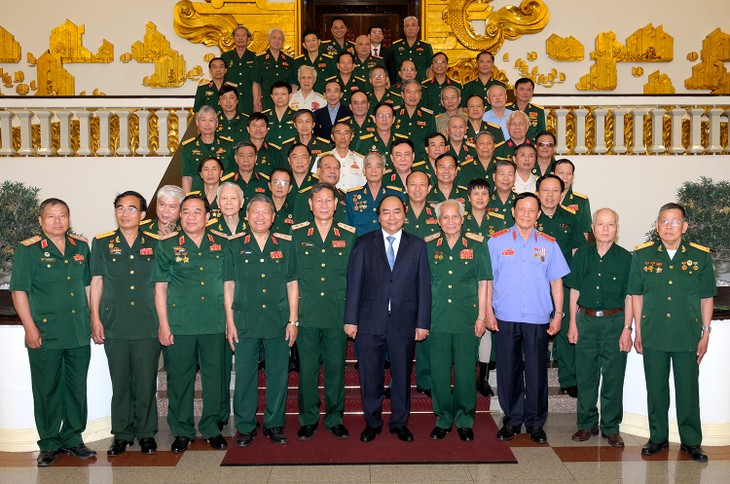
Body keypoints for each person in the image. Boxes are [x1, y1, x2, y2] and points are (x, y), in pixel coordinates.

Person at [10, 198, 96, 467]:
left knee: (76, 388)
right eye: (51, 216)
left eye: (63, 215)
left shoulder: (80, 247)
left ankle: (73, 438)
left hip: (78, 331)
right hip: (45, 333)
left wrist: (94, 319)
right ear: (40, 220)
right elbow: (19, 291)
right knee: (46, 389)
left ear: (69, 219)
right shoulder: (29, 250)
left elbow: (87, 287)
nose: (57, 221)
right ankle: (48, 443)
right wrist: (30, 327)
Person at [628, 203, 716, 462]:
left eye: (674, 221)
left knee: (688, 389)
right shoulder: (642, 256)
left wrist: (706, 332)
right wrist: (638, 330)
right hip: (653, 332)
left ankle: (691, 441)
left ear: (684, 226)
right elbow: (636, 294)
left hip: (687, 334)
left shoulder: (700, 256)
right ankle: (658, 437)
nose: (668, 226)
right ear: (657, 226)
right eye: (663, 221)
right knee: (656, 388)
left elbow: (706, 298)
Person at [345, 195, 432, 443]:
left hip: (404, 322)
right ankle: (372, 422)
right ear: (378, 216)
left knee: (402, 375)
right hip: (370, 322)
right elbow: (354, 284)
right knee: (370, 375)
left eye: (396, 212)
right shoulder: (363, 243)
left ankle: (399, 423)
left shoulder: (417, 245)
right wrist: (351, 319)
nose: (391, 217)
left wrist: (422, 322)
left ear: (404, 215)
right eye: (386, 212)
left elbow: (423, 287)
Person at [486, 192, 569, 444]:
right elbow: (487, 281)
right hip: (505, 316)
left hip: (537, 317)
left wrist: (558, 314)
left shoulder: (549, 244)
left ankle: (535, 422)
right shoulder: (496, 242)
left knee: (536, 371)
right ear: (513, 211)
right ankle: (512, 419)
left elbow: (557, 282)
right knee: (507, 371)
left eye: (532, 210)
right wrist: (487, 312)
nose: (526, 214)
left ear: (538, 214)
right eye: (521, 209)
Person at [152, 194, 229, 452]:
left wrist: (230, 321)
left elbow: (230, 285)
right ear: (179, 216)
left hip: (215, 321)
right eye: (186, 212)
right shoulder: (166, 246)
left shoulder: (223, 244)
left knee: (215, 377)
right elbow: (160, 289)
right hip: (180, 322)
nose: (191, 216)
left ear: (208, 216)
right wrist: (163, 324)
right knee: (179, 379)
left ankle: (211, 427)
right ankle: (182, 430)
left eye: (197, 212)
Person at [224, 194, 300, 446]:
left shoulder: (286, 245)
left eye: (265, 212)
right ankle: (245, 426)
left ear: (273, 217)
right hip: (245, 320)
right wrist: (230, 322)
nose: (260, 217)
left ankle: (274, 424)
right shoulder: (234, 245)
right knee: (245, 376)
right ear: (246, 216)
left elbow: (292, 284)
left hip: (278, 320)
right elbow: (228, 286)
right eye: (254, 212)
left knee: (278, 375)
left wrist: (293, 320)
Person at [89, 191, 160, 457]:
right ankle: (121, 434)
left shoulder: (156, 242)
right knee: (119, 381)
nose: (125, 213)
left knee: (145, 380)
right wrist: (95, 318)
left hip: (147, 321)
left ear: (142, 215)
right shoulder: (102, 242)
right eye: (120, 208)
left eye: (132, 209)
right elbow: (96, 282)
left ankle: (145, 433)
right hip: (114, 321)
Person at [292, 183, 356, 441]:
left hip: (336, 312)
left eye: (329, 200)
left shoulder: (349, 235)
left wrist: (352, 316)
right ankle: (308, 418)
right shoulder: (297, 235)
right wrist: (293, 318)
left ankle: (334, 417)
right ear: (310, 204)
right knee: (307, 369)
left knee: (335, 367)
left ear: (336, 204)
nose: (324, 205)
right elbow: (292, 277)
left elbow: (354, 280)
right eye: (319, 200)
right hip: (306, 313)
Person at [564, 208, 633, 448]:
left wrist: (627, 329)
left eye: (610, 224)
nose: (605, 229)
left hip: (615, 323)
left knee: (614, 376)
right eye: (600, 224)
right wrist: (572, 323)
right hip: (586, 321)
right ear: (592, 229)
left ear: (617, 229)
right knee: (585, 375)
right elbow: (574, 290)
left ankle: (611, 427)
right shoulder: (581, 255)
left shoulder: (627, 258)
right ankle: (586, 424)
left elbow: (630, 297)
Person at [427, 199, 491, 441]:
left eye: (455, 217)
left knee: (465, 371)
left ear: (462, 219)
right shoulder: (429, 246)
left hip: (467, 318)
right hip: (438, 318)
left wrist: (481, 316)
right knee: (440, 371)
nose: (451, 222)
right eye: (446, 217)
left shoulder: (477, 244)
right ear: (438, 221)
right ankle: (443, 418)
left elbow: (484, 282)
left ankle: (465, 419)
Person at [536, 174, 585, 397]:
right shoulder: (529, 217)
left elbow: (577, 252)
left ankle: (568, 378)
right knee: (534, 332)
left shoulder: (571, 218)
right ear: (538, 192)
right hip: (535, 284)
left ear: (562, 193)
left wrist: (577, 284)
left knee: (566, 332)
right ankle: (533, 376)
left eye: (555, 190)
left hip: (564, 284)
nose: (550, 195)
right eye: (545, 190)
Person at [346, 153, 404, 236]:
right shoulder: (352, 196)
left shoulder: (395, 194)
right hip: (361, 246)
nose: (373, 170)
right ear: (364, 171)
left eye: (378, 166)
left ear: (383, 170)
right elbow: (349, 228)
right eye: (369, 167)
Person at [181, 105, 235, 194]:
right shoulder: (188, 147)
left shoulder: (228, 145)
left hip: (223, 196)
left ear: (217, 124)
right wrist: (186, 199)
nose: (207, 124)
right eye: (203, 120)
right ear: (198, 123)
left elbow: (233, 174)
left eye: (211, 120)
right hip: (198, 196)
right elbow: (187, 177)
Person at [221, 25, 261, 115]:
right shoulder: (226, 57)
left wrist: (256, 103)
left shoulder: (255, 57)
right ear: (233, 38)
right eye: (237, 35)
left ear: (248, 38)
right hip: (230, 101)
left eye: (243, 35)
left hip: (248, 100)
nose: (240, 38)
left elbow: (257, 81)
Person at [394, 80, 436, 162]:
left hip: (420, 161)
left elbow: (431, 142)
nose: (412, 95)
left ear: (420, 95)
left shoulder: (428, 116)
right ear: (402, 94)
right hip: (398, 161)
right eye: (409, 92)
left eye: (416, 92)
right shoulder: (394, 113)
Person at [316, 121, 365, 191]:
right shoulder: (321, 159)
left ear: (352, 136)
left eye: (346, 133)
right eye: (338, 133)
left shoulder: (361, 160)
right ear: (332, 137)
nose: (342, 137)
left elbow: (364, 186)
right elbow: (316, 184)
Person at [257, 28, 296, 112]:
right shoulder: (259, 59)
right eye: (274, 38)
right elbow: (256, 82)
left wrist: (291, 99)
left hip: (284, 101)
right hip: (266, 100)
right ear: (269, 39)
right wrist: (257, 102)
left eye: (280, 39)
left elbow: (293, 83)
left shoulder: (289, 60)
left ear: (283, 42)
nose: (276, 41)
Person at [552, 158, 592, 237]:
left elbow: (584, 232)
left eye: (569, 174)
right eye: (561, 173)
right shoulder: (542, 199)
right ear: (553, 175)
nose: (565, 177)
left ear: (572, 177)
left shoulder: (581, 201)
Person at [392, 16, 433, 82]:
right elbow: (392, 68)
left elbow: (430, 68)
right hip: (401, 85)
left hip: (420, 84)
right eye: (407, 26)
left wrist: (429, 84)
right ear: (404, 29)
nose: (410, 28)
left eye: (413, 25)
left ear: (418, 28)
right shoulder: (396, 46)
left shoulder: (426, 46)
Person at [294, 30, 335, 94]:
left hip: (323, 98)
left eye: (313, 40)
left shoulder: (329, 61)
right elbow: (294, 84)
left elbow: (333, 81)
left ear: (318, 42)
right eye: (308, 41)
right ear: (304, 45)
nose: (311, 43)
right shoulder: (297, 62)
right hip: (304, 100)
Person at [506, 77, 546, 142]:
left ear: (532, 93)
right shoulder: (506, 109)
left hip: (531, 148)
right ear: (515, 92)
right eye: (522, 89)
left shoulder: (538, 111)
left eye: (529, 90)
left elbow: (542, 135)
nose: (525, 92)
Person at [263, 81, 296, 147]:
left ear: (290, 96)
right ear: (272, 97)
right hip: (270, 154)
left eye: (283, 94)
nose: (279, 97)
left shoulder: (297, 116)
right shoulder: (264, 116)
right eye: (276, 94)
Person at [487, 159, 517, 224]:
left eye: (510, 174)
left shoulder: (520, 201)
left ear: (515, 177)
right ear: (494, 177)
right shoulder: (485, 200)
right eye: (502, 174)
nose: (506, 178)